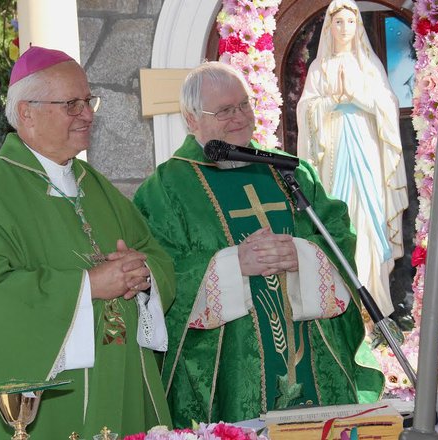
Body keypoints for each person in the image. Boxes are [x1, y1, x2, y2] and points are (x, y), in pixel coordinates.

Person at [0, 46, 174, 439]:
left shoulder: (94, 185)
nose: (87, 114)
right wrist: (89, 286)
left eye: (87, 100)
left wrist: (143, 272)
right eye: (71, 104)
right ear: (26, 113)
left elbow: (152, 252)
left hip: (121, 374)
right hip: (54, 400)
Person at [133, 61, 384, 427]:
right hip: (230, 369)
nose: (239, 117)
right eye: (223, 110)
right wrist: (232, 266)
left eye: (243, 105)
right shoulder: (165, 189)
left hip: (312, 353)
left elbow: (336, 234)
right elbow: (160, 271)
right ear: (191, 119)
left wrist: (302, 255)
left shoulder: (289, 172)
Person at [296, 0, 408, 317]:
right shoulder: (320, 69)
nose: (345, 29)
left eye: (350, 22)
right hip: (333, 155)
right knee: (340, 217)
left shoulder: (368, 66)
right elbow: (305, 110)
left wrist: (359, 98)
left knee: (370, 219)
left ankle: (377, 299)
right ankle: (346, 306)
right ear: (329, 28)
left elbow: (387, 105)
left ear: (357, 26)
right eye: (339, 22)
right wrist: (329, 102)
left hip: (367, 153)